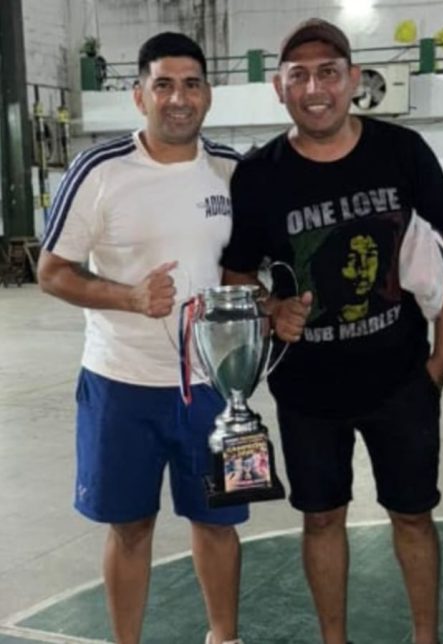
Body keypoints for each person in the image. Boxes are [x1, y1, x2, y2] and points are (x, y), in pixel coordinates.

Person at [219, 19, 443, 644]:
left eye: (328, 72)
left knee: (413, 516)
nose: (315, 88)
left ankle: (426, 638)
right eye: (298, 75)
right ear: (279, 88)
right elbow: (236, 275)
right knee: (322, 519)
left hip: (400, 379)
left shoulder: (402, 151)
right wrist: (271, 307)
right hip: (307, 391)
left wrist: (442, 357)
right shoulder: (259, 175)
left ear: (353, 79)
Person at [37, 33, 246, 644]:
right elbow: (51, 271)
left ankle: (224, 638)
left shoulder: (231, 170)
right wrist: (128, 297)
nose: (178, 98)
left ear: (208, 94)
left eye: (191, 84)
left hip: (213, 389)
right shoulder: (99, 171)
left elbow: (244, 271)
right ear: (139, 95)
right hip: (120, 385)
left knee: (218, 523)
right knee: (130, 527)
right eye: (164, 85)